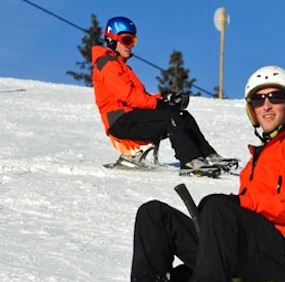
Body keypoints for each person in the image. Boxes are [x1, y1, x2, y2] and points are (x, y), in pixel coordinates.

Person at [102, 65, 285, 282]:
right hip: (246, 248)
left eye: (276, 98)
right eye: (259, 100)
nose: (267, 106)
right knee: (154, 215)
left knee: (218, 206)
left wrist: (238, 204)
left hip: (282, 253)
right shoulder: (259, 157)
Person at [91, 16, 235, 176]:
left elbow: (141, 97)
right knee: (169, 117)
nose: (130, 46)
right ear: (112, 40)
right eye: (126, 40)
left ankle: (208, 156)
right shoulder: (107, 64)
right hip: (119, 120)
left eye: (133, 41)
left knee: (183, 116)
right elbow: (128, 96)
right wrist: (160, 105)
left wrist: (165, 98)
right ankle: (190, 161)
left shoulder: (122, 67)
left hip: (129, 117)